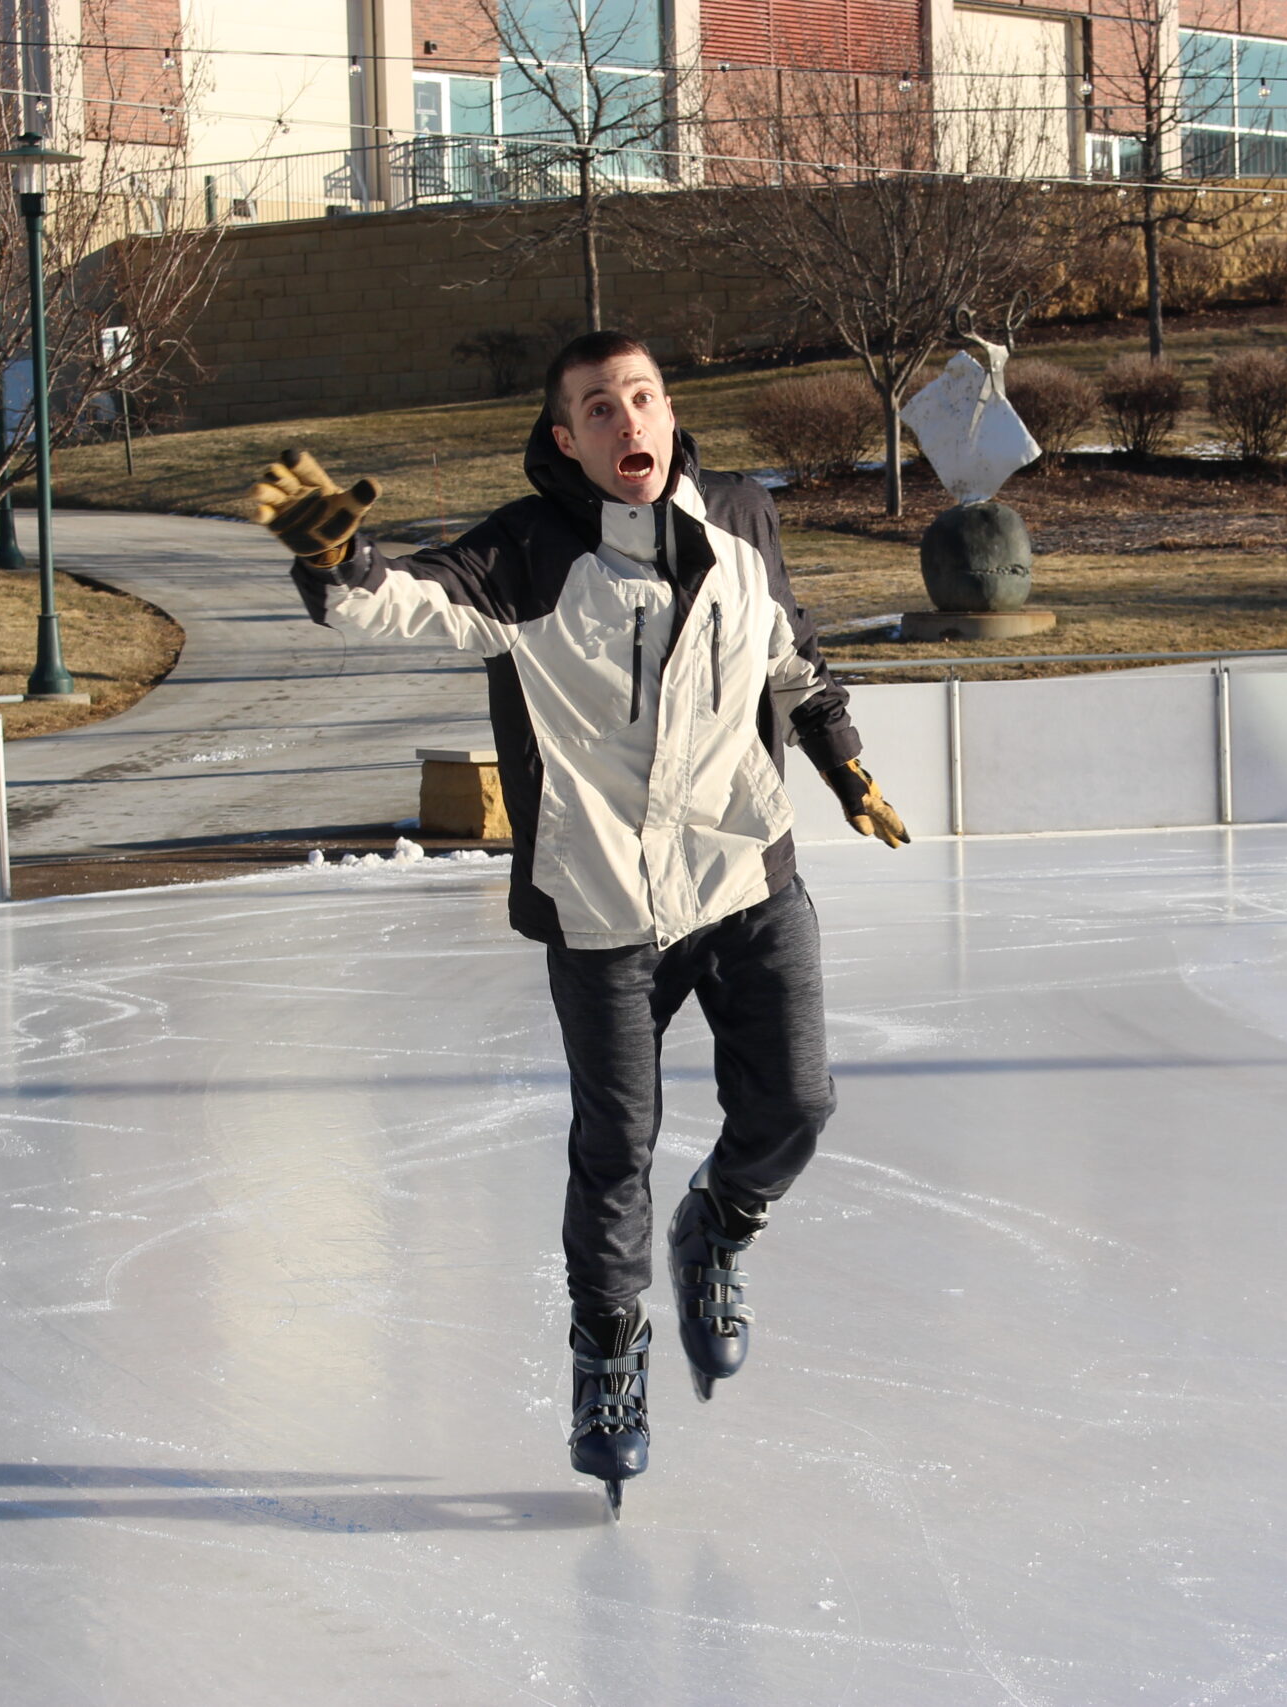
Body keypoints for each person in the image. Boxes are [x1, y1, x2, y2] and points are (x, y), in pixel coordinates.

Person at [248, 331, 908, 1514]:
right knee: (616, 1147)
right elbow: (402, 606)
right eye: (599, 408)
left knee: (797, 1104)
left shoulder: (740, 516)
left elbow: (789, 657)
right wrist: (338, 560)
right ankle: (608, 1361)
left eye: (641, 397)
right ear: (567, 437)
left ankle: (720, 1226)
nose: (627, 420)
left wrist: (846, 765)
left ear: (669, 412)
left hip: (745, 872)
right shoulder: (523, 552)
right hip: (604, 899)